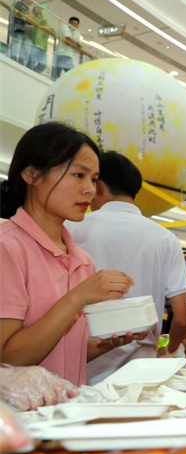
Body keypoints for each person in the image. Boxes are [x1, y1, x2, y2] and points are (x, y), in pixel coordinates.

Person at [0, 122, 137, 386]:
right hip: (20, 420)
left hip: (68, 414)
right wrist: (78, 297)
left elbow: (60, 356)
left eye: (94, 179)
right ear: (31, 174)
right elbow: (9, 358)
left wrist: (108, 344)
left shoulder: (82, 260)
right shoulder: (8, 248)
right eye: (78, 175)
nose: (90, 189)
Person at [67, 151, 186, 384]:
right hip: (141, 372)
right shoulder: (165, 238)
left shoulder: (71, 229)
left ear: (99, 186)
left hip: (82, 365)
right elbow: (182, 318)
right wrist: (169, 349)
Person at [26, 4, 54, 74]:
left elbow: (49, 28)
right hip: (36, 43)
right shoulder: (34, 18)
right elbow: (39, 24)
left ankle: (33, 73)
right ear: (33, 11)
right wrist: (42, 26)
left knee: (43, 65)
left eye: (39, 9)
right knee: (31, 61)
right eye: (36, 9)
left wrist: (42, 26)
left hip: (44, 46)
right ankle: (28, 73)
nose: (39, 10)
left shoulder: (44, 20)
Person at [8, 0, 35, 65]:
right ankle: (12, 63)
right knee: (16, 47)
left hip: (27, 33)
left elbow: (32, 21)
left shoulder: (30, 11)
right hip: (18, 29)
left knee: (25, 51)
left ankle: (21, 65)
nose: (31, 0)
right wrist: (27, 16)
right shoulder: (18, 4)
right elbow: (14, 12)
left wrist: (28, 16)